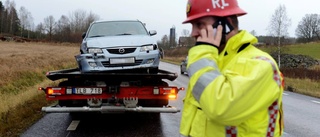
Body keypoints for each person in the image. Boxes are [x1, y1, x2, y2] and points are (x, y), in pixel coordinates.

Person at [179, 0, 285, 137]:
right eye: (193, 25)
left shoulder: (261, 65)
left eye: (199, 24)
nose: (193, 33)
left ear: (225, 24)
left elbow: (219, 108)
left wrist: (202, 55)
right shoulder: (213, 62)